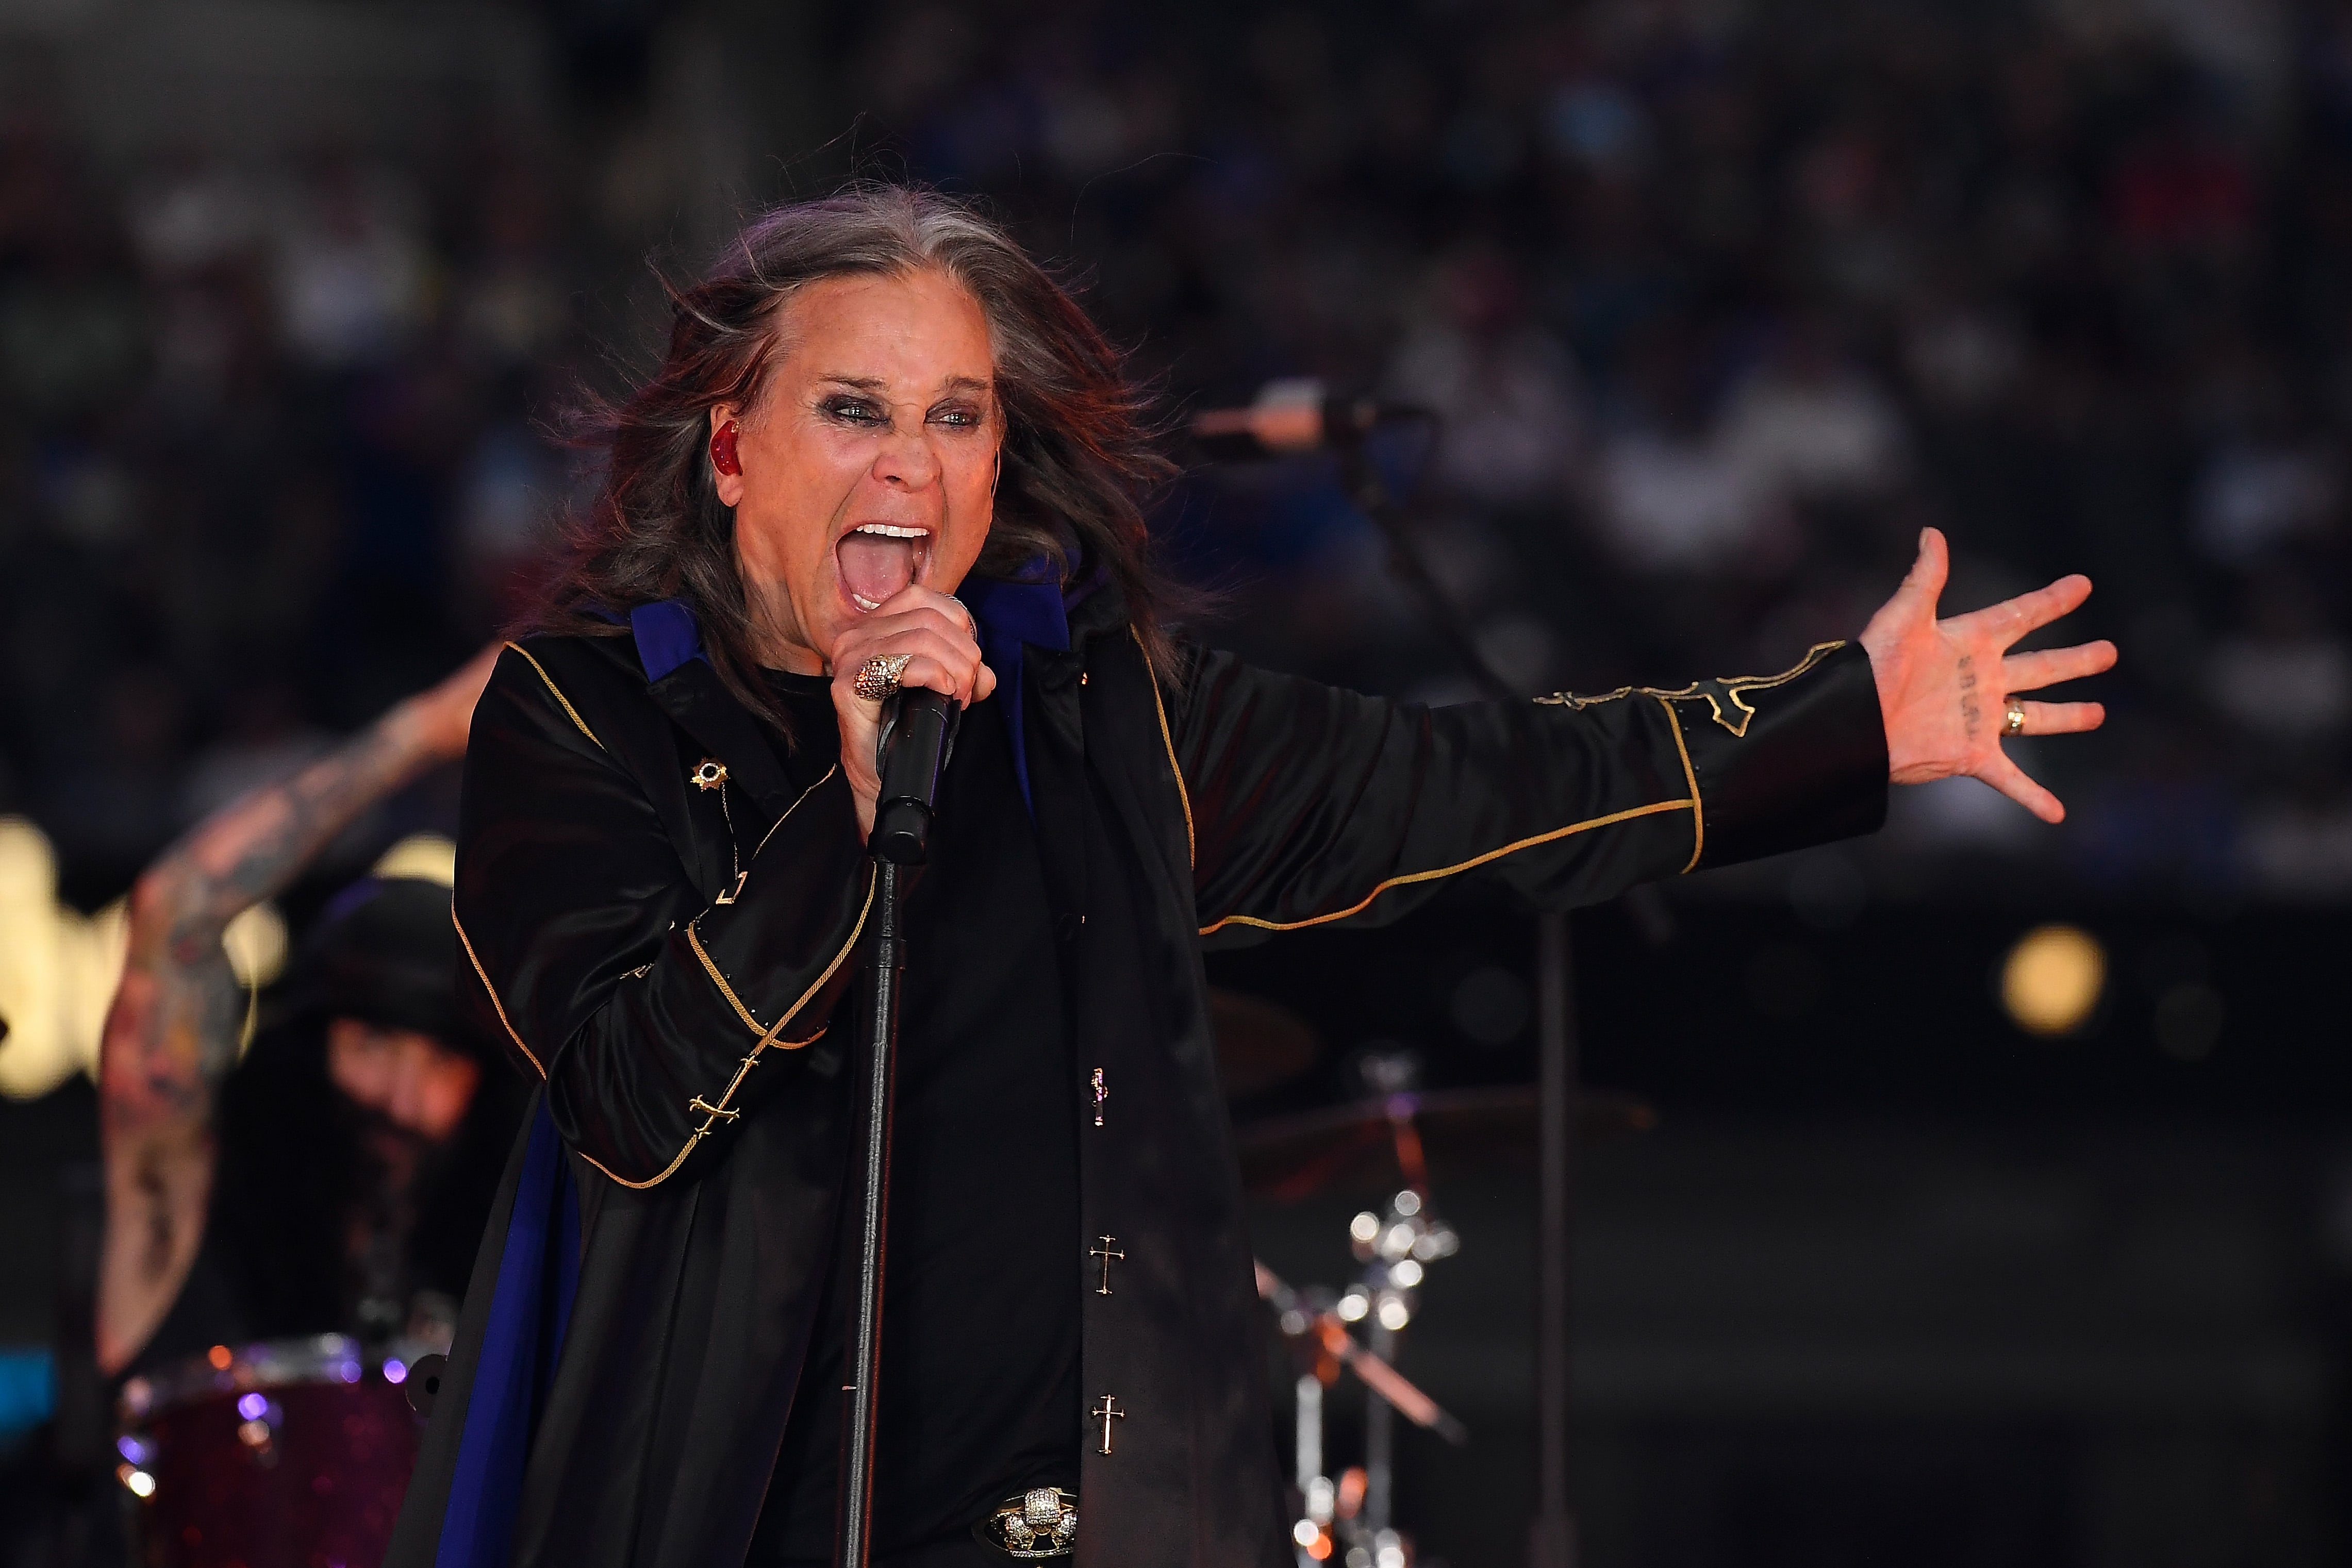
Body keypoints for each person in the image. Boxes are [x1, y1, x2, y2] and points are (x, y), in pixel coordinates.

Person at [389, 188, 2114, 1568]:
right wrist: (843, 813)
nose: (909, 465)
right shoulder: (583, 712)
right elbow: (623, 1094)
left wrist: (1834, 727)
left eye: (956, 417)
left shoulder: (1087, 710)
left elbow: (1462, 783)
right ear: (734, 445)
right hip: (726, 1514)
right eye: (852, 411)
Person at [95, 648, 507, 1378]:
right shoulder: (189, 1215)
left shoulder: (505, 1277)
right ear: (310, 1047)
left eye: (440, 1061)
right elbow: (176, 916)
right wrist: (426, 730)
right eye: (374, 1042)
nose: (399, 1097)